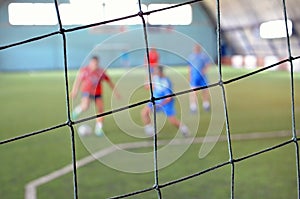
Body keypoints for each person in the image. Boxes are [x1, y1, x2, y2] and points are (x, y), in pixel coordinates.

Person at [70, 56, 120, 136]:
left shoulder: (101, 72)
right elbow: (78, 81)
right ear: (90, 63)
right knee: (85, 106)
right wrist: (74, 91)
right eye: (93, 63)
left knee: (100, 111)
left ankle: (99, 129)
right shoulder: (85, 71)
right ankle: (76, 111)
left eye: (96, 63)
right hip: (87, 91)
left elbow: (109, 81)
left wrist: (116, 92)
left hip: (98, 93)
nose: (94, 65)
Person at [141, 65, 190, 137]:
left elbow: (169, 97)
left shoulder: (166, 82)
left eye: (156, 71)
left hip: (166, 103)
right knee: (144, 113)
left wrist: (161, 104)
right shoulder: (155, 78)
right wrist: (147, 81)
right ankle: (151, 132)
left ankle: (184, 129)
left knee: (172, 120)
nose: (154, 72)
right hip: (155, 100)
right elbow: (147, 87)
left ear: (160, 72)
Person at [188, 44, 211, 113]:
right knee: (193, 91)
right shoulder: (191, 57)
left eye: (198, 48)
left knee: (205, 90)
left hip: (202, 77)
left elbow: (208, 64)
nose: (196, 49)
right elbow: (189, 67)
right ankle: (193, 106)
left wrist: (204, 70)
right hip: (194, 76)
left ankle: (206, 104)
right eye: (195, 48)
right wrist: (190, 76)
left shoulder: (203, 56)